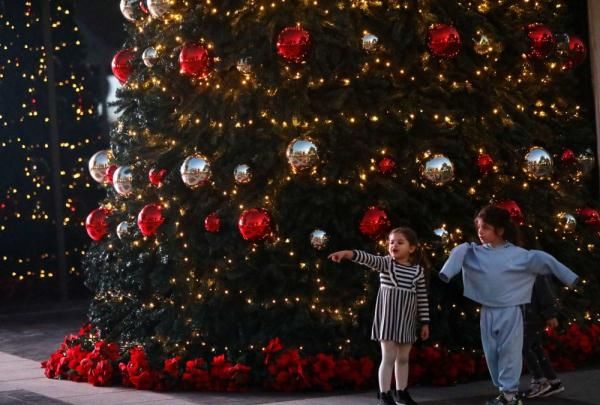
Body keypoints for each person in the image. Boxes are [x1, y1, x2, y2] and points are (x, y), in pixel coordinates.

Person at [438, 205, 578, 405]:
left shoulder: (519, 255)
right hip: (488, 311)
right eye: (479, 227)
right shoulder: (474, 252)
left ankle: (510, 395)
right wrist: (448, 270)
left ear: (500, 230)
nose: (480, 232)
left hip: (510, 311)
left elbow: (543, 259)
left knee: (509, 352)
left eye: (485, 227)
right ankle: (505, 391)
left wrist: (568, 277)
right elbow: (459, 254)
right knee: (492, 353)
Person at [328, 227, 430, 405]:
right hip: (388, 320)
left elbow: (422, 298)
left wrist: (424, 323)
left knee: (403, 358)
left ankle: (401, 392)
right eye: (391, 242)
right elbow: (366, 258)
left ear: (411, 248)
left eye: (400, 242)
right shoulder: (386, 264)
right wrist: (346, 253)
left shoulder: (418, 272)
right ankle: (384, 394)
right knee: (388, 357)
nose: (394, 245)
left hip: (407, 321)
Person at [521, 274, 565, 398]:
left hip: (532, 315)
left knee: (525, 347)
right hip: (531, 314)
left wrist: (550, 314)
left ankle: (540, 380)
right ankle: (553, 381)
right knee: (535, 347)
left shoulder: (532, 268)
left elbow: (544, 292)